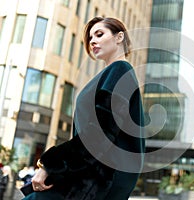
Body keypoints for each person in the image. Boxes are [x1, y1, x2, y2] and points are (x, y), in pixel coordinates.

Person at [22, 17, 145, 200]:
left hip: (100, 179)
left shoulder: (121, 69)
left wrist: (50, 165)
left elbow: (100, 133)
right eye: (90, 38)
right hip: (91, 174)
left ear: (119, 37)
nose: (92, 41)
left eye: (99, 34)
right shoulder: (110, 74)